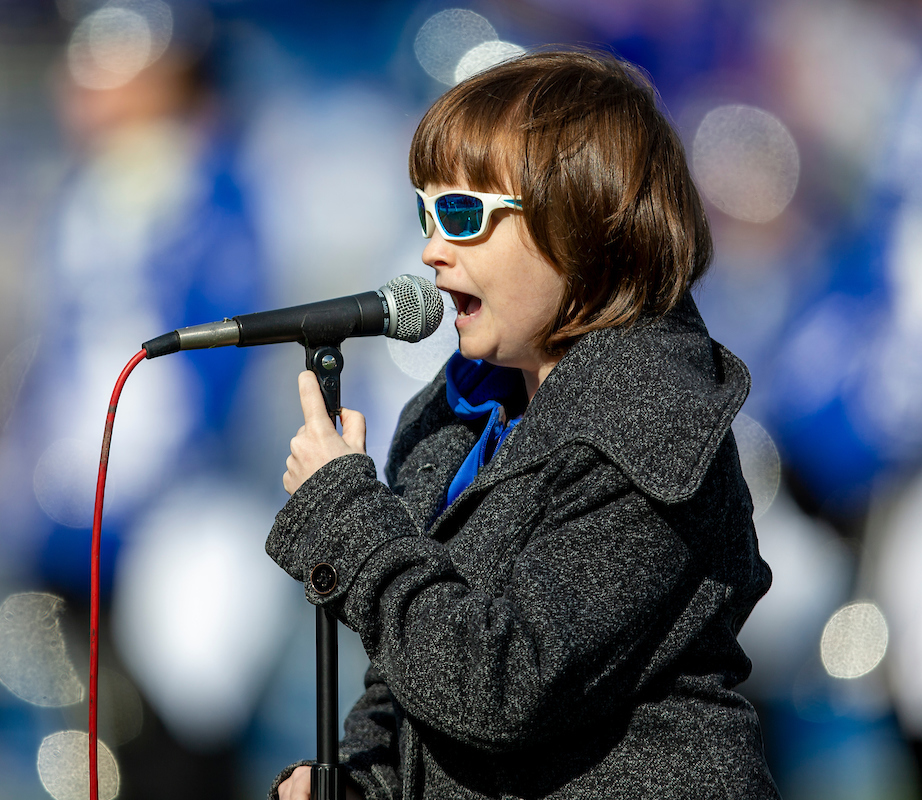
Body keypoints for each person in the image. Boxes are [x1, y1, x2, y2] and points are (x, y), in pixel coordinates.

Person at [269, 49, 779, 799]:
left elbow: (498, 685)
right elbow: (409, 695)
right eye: (426, 210)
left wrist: (347, 514)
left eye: (464, 213)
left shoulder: (649, 426)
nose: (432, 249)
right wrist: (358, 786)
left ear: (584, 224)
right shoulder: (454, 419)